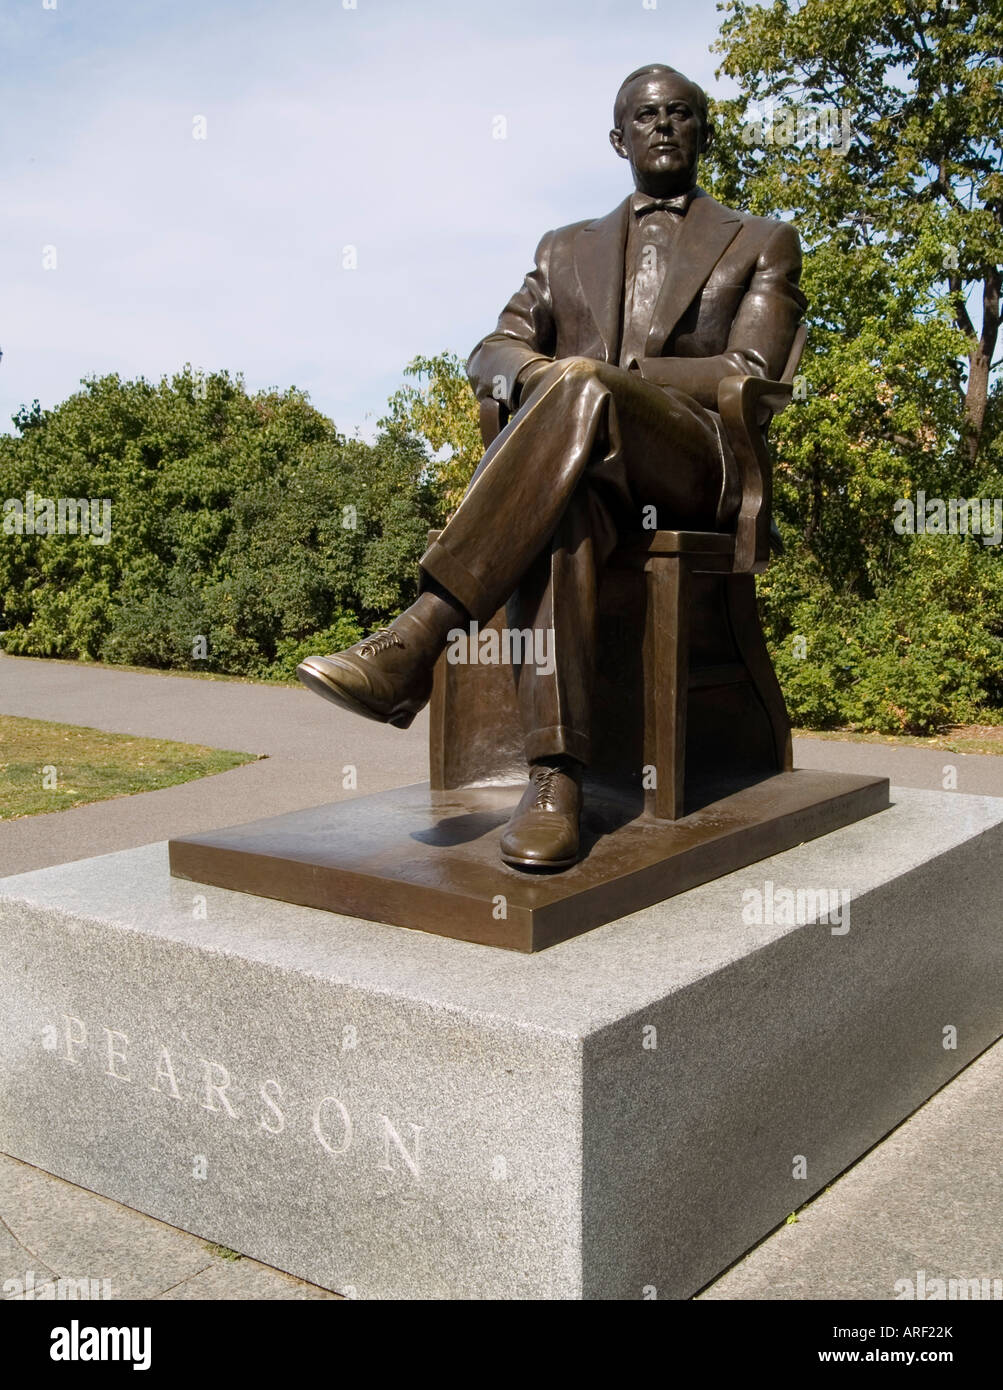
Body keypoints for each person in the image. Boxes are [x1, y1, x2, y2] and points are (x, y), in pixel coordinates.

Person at [298, 63, 807, 871]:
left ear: (703, 131)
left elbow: (747, 368)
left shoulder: (761, 241)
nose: (663, 126)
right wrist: (545, 377)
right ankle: (555, 778)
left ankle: (418, 637)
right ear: (617, 139)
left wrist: (600, 381)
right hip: (584, 471)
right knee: (563, 510)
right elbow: (492, 352)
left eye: (680, 114)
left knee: (579, 384)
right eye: (645, 117)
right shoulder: (563, 248)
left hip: (691, 459)